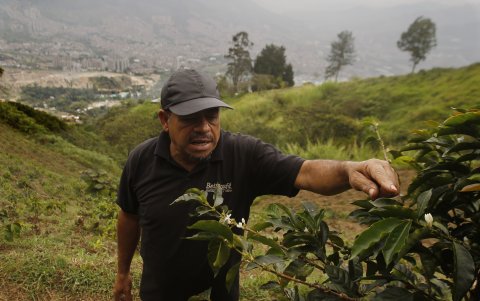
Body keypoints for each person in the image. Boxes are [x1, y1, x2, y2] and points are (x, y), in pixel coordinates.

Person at [113, 69, 399, 301]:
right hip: (161, 287)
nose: (203, 128)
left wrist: (349, 169)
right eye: (189, 118)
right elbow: (129, 215)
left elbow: (307, 171)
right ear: (165, 120)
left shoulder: (243, 154)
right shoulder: (141, 160)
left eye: (211, 116)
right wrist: (122, 272)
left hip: (220, 288)